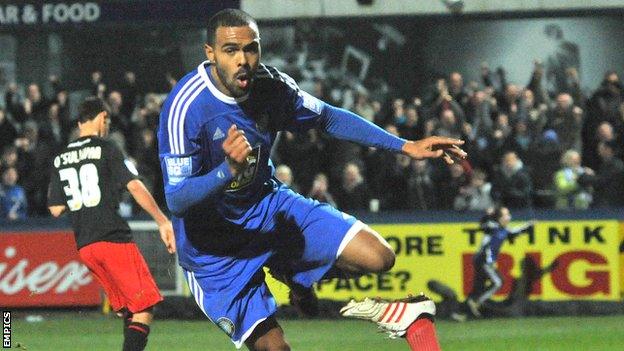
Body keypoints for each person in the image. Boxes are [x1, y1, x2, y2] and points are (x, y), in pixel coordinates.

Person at [157, 9, 465, 351]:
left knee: (379, 257)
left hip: (267, 208)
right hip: (212, 248)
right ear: (210, 53)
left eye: (251, 48)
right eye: (231, 50)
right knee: (275, 349)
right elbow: (177, 199)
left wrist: (405, 145)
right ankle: (294, 275)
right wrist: (226, 170)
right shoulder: (185, 107)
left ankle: (292, 272)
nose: (243, 60)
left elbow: (329, 118)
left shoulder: (273, 89)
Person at [48, 97, 176, 351]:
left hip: (86, 245)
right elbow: (135, 185)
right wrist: (163, 221)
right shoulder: (107, 148)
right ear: (102, 117)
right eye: (107, 121)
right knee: (143, 307)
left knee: (129, 309)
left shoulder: (60, 158)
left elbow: (55, 209)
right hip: (111, 237)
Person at [466, 207, 535, 317]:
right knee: (497, 282)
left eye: (508, 214)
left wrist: (528, 225)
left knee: (480, 286)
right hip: (483, 260)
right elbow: (483, 224)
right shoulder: (492, 227)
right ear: (499, 218)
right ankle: (476, 302)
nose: (509, 217)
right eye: (506, 215)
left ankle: (464, 311)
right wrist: (488, 215)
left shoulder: (504, 230)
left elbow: (515, 232)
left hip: (486, 262)